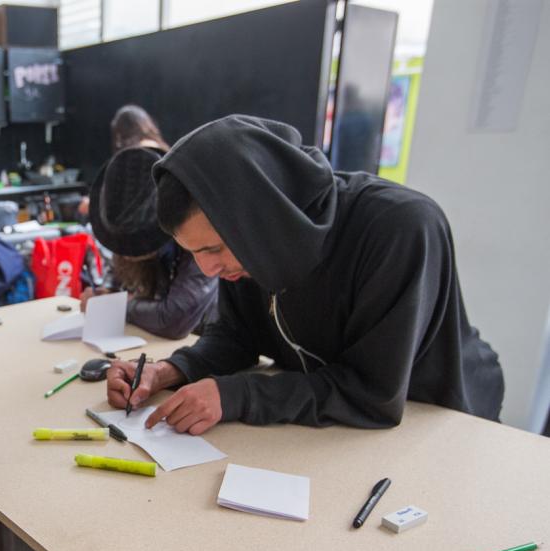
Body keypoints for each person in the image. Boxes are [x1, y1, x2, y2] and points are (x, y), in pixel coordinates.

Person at [106, 114, 504, 434]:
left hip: (439, 422)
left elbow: (374, 393)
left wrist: (235, 395)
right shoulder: (248, 248)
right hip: (335, 428)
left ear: (260, 217)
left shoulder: (400, 228)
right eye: (195, 254)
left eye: (214, 248)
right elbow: (236, 337)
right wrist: (170, 371)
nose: (209, 268)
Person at [84, 145, 218, 338]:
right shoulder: (124, 219)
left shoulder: (197, 235)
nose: (124, 253)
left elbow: (175, 320)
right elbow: (115, 280)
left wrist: (117, 305)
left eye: (130, 244)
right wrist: (103, 295)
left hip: (205, 340)